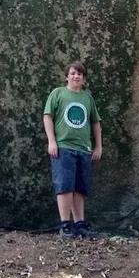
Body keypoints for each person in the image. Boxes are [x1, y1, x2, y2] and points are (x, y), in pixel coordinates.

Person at [43, 61, 103, 239]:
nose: (76, 76)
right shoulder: (58, 94)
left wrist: (98, 146)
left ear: (84, 79)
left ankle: (80, 224)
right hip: (63, 147)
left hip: (83, 149)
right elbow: (48, 117)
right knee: (65, 185)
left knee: (80, 187)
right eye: (73, 73)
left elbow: (95, 122)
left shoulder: (87, 98)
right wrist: (52, 142)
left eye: (80, 74)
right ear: (66, 76)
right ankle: (65, 225)